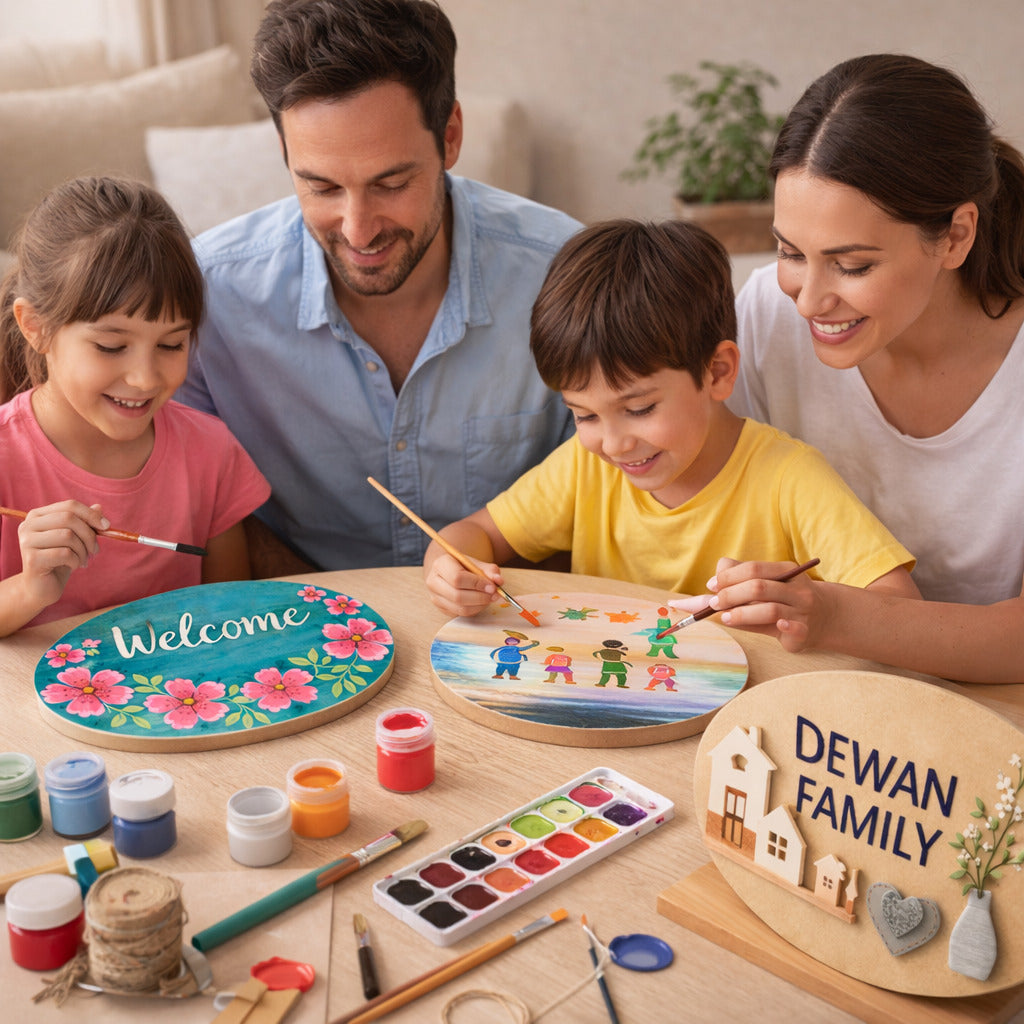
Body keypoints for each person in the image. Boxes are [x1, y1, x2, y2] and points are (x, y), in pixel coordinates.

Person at [176, 0, 582, 573]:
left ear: (451, 137)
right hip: (294, 624)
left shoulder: (564, 273)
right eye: (320, 187)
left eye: (391, 183)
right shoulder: (207, 296)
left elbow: (618, 484)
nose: (358, 229)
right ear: (285, 154)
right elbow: (182, 495)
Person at [422, 219, 919, 619]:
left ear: (718, 372)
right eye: (584, 414)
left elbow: (901, 608)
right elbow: (472, 534)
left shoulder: (789, 478)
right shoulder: (585, 466)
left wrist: (818, 610)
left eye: (639, 409)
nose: (613, 444)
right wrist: (450, 567)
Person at [711, 54, 1024, 683]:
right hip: (822, 693)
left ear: (957, 235)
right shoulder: (770, 315)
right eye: (790, 252)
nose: (809, 298)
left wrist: (837, 616)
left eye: (852, 265)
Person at [0, 177, 270, 635]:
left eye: (171, 344)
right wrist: (31, 589)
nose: (145, 379)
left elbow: (232, 614)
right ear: (35, 327)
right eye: (110, 346)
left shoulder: (210, 452)